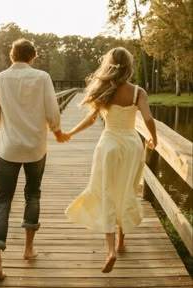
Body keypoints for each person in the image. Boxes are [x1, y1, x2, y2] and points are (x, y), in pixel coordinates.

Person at [64, 47, 157, 273]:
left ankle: (110, 250)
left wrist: (70, 133)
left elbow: (90, 119)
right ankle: (121, 241)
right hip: (132, 145)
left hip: (109, 146)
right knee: (126, 190)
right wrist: (154, 139)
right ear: (129, 66)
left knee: (106, 191)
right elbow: (148, 118)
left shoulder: (104, 89)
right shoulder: (137, 92)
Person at [0, 38, 68, 281]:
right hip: (35, 148)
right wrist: (57, 131)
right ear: (32, 56)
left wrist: (9, 127)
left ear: (12, 56)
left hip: (8, 148)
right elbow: (53, 113)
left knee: (2, 201)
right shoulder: (42, 77)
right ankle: (28, 249)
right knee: (32, 194)